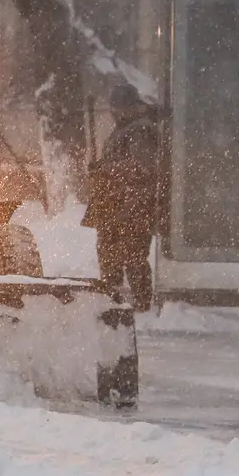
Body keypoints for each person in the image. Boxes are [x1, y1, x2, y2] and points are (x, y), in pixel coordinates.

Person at [84, 84, 160, 311]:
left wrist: (106, 170)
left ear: (131, 106)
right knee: (109, 255)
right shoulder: (125, 128)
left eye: (118, 108)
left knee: (133, 256)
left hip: (132, 206)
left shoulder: (140, 130)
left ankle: (142, 305)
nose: (114, 113)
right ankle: (112, 300)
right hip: (116, 205)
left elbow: (142, 166)